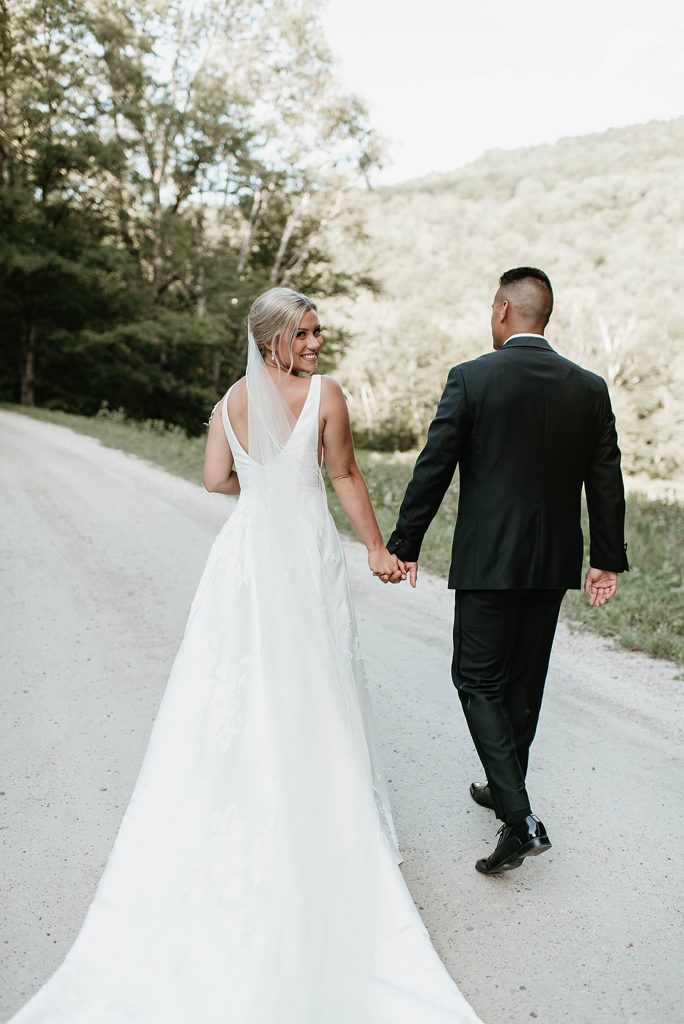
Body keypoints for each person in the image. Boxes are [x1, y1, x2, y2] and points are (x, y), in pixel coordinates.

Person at [9, 287, 485, 1023]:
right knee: (315, 680)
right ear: (274, 340)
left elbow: (212, 480)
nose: (316, 343)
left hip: (246, 556)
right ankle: (321, 810)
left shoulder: (232, 399)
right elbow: (345, 477)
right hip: (303, 550)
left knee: (237, 681)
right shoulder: (326, 399)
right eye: (304, 333)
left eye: (318, 332)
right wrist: (377, 551)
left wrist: (256, 483)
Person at [387, 267, 628, 875]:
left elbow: (434, 465)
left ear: (502, 311)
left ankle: (519, 819)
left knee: (476, 679)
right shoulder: (590, 387)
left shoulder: (472, 378)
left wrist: (405, 540)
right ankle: (503, 784)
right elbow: (606, 479)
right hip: (551, 564)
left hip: (490, 560)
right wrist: (606, 558)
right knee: (525, 680)